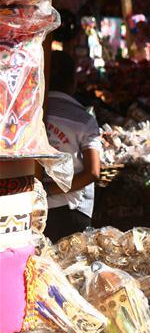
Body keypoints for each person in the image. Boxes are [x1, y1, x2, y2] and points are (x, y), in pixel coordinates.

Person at [43, 51, 102, 242]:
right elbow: (93, 171)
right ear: (73, 82)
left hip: (33, 206)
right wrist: (51, 190)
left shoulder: (30, 113)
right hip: (72, 211)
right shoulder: (84, 119)